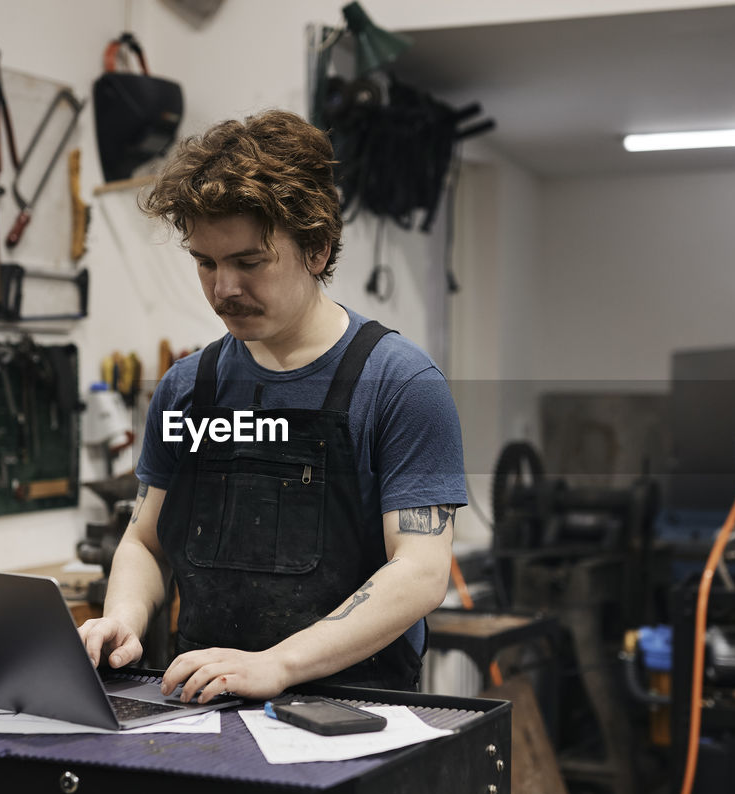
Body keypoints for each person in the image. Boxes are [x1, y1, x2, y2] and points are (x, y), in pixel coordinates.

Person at [77, 109, 466, 703]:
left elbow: (420, 572)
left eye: (248, 262)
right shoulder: (188, 389)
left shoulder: (399, 383)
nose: (223, 288)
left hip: (356, 713)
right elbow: (145, 541)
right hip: (202, 702)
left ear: (316, 249)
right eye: (205, 263)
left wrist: (278, 665)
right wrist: (122, 621)